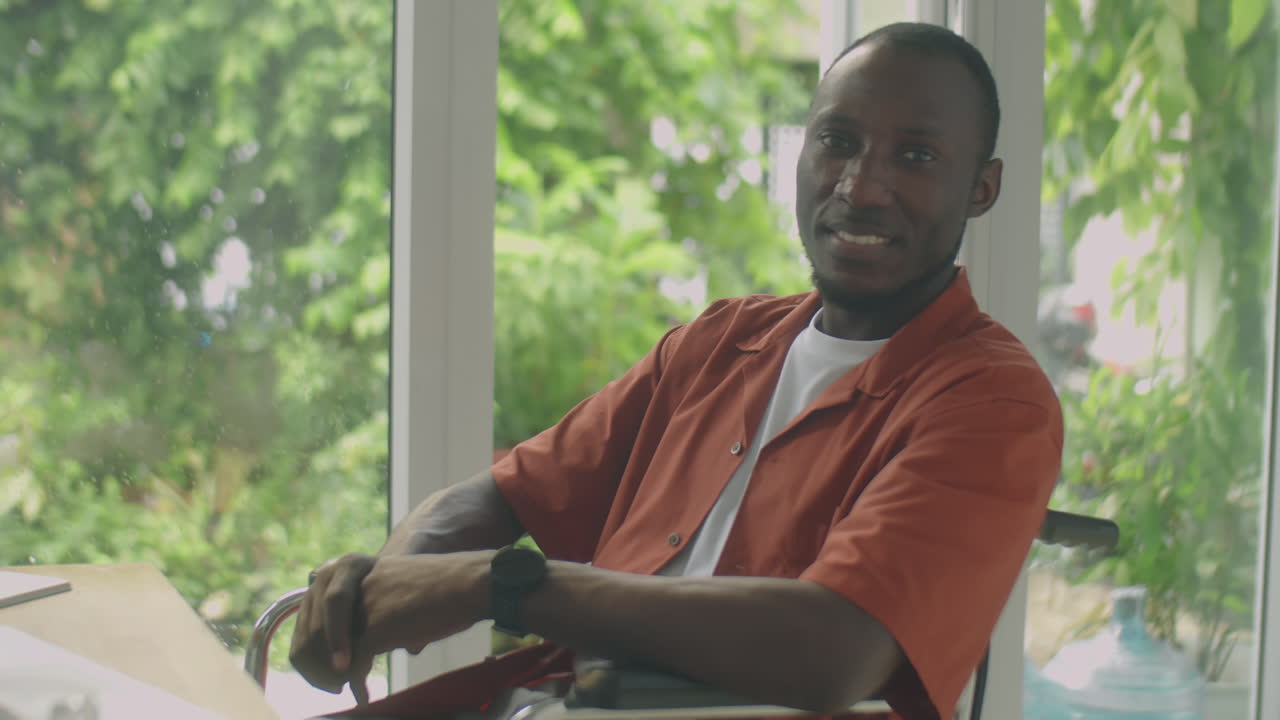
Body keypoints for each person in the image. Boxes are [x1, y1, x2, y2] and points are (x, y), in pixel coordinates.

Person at [290, 22, 1062, 720]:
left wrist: (498, 585)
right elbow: (499, 497)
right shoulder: (719, 343)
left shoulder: (991, 401)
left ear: (982, 189)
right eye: (838, 140)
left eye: (917, 155)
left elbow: (832, 653)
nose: (860, 187)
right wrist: (376, 593)